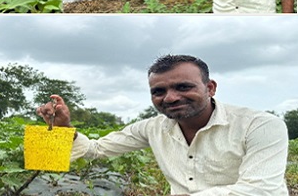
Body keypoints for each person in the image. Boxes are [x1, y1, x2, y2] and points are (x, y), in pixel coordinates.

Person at [37, 54, 289, 195]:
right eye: (159, 91)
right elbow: (95, 150)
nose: (170, 97)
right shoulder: (152, 128)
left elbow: (259, 191)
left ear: (210, 88)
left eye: (183, 87)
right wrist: (61, 128)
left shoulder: (260, 125)